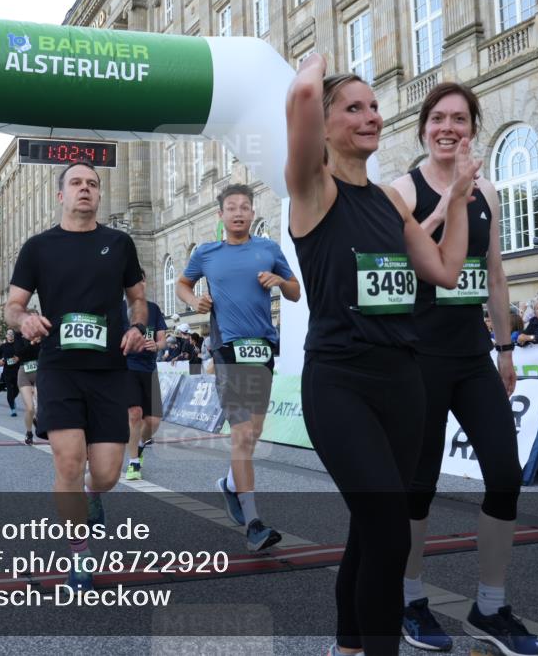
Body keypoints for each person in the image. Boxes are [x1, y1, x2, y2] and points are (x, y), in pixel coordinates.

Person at [285, 57, 476, 655]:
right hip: (339, 384)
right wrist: (313, 76)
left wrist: (462, 199)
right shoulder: (313, 188)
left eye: (374, 106)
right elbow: (301, 106)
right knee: (392, 537)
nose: (372, 116)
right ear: (327, 122)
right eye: (354, 107)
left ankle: (346, 645)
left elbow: (445, 271)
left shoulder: (391, 203)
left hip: (402, 382)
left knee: (373, 535)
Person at [390, 82, 538, 655]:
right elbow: (401, 259)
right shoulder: (402, 189)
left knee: (505, 473)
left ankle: (491, 606)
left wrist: (505, 349)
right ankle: (409, 597)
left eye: (459, 118)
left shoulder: (489, 190)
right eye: (438, 119)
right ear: (424, 127)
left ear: (472, 127)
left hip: (472, 357)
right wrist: (446, 199)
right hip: (418, 357)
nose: (448, 127)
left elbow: (495, 274)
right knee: (418, 487)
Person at [5, 159, 147, 592]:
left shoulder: (120, 243)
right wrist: (24, 319)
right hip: (60, 368)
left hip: (108, 370)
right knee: (68, 461)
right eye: (76, 183)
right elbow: (12, 306)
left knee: (105, 473)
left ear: (99, 195)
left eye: (92, 184)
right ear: (61, 194)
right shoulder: (37, 247)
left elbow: (137, 298)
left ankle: (91, 496)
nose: (85, 189)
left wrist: (137, 327)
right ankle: (79, 555)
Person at [177, 182, 302, 552]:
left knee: (255, 431)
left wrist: (280, 280)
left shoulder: (268, 248)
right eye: (231, 207)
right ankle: (254, 522)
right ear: (221, 215)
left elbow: (295, 291)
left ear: (251, 213)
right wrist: (194, 300)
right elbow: (184, 284)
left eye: (244, 207)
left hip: (261, 347)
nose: (238, 212)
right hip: (227, 349)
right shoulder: (207, 253)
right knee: (243, 434)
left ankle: (229, 485)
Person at [122, 271, 168, 481]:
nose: (138, 285)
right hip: (127, 367)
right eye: (133, 281)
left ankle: (140, 445)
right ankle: (133, 463)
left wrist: (155, 345)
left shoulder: (154, 309)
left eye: (141, 281)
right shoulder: (119, 310)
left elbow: (162, 341)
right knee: (135, 414)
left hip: (149, 369)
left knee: (153, 422)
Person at [14, 326, 41, 442]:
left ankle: (38, 420)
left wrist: (40, 342)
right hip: (24, 372)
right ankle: (29, 432)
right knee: (30, 408)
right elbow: (19, 354)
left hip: (40, 372)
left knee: (40, 406)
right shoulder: (19, 335)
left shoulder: (42, 334)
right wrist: (32, 342)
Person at [0, 329, 21, 417]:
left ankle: (12, 399)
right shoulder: (3, 346)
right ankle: (13, 409)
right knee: (9, 390)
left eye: (12, 333)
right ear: (6, 336)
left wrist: (19, 358)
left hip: (18, 371)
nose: (10, 335)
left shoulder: (18, 345)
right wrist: (0, 360)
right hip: (7, 371)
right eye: (9, 334)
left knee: (17, 390)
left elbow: (22, 353)